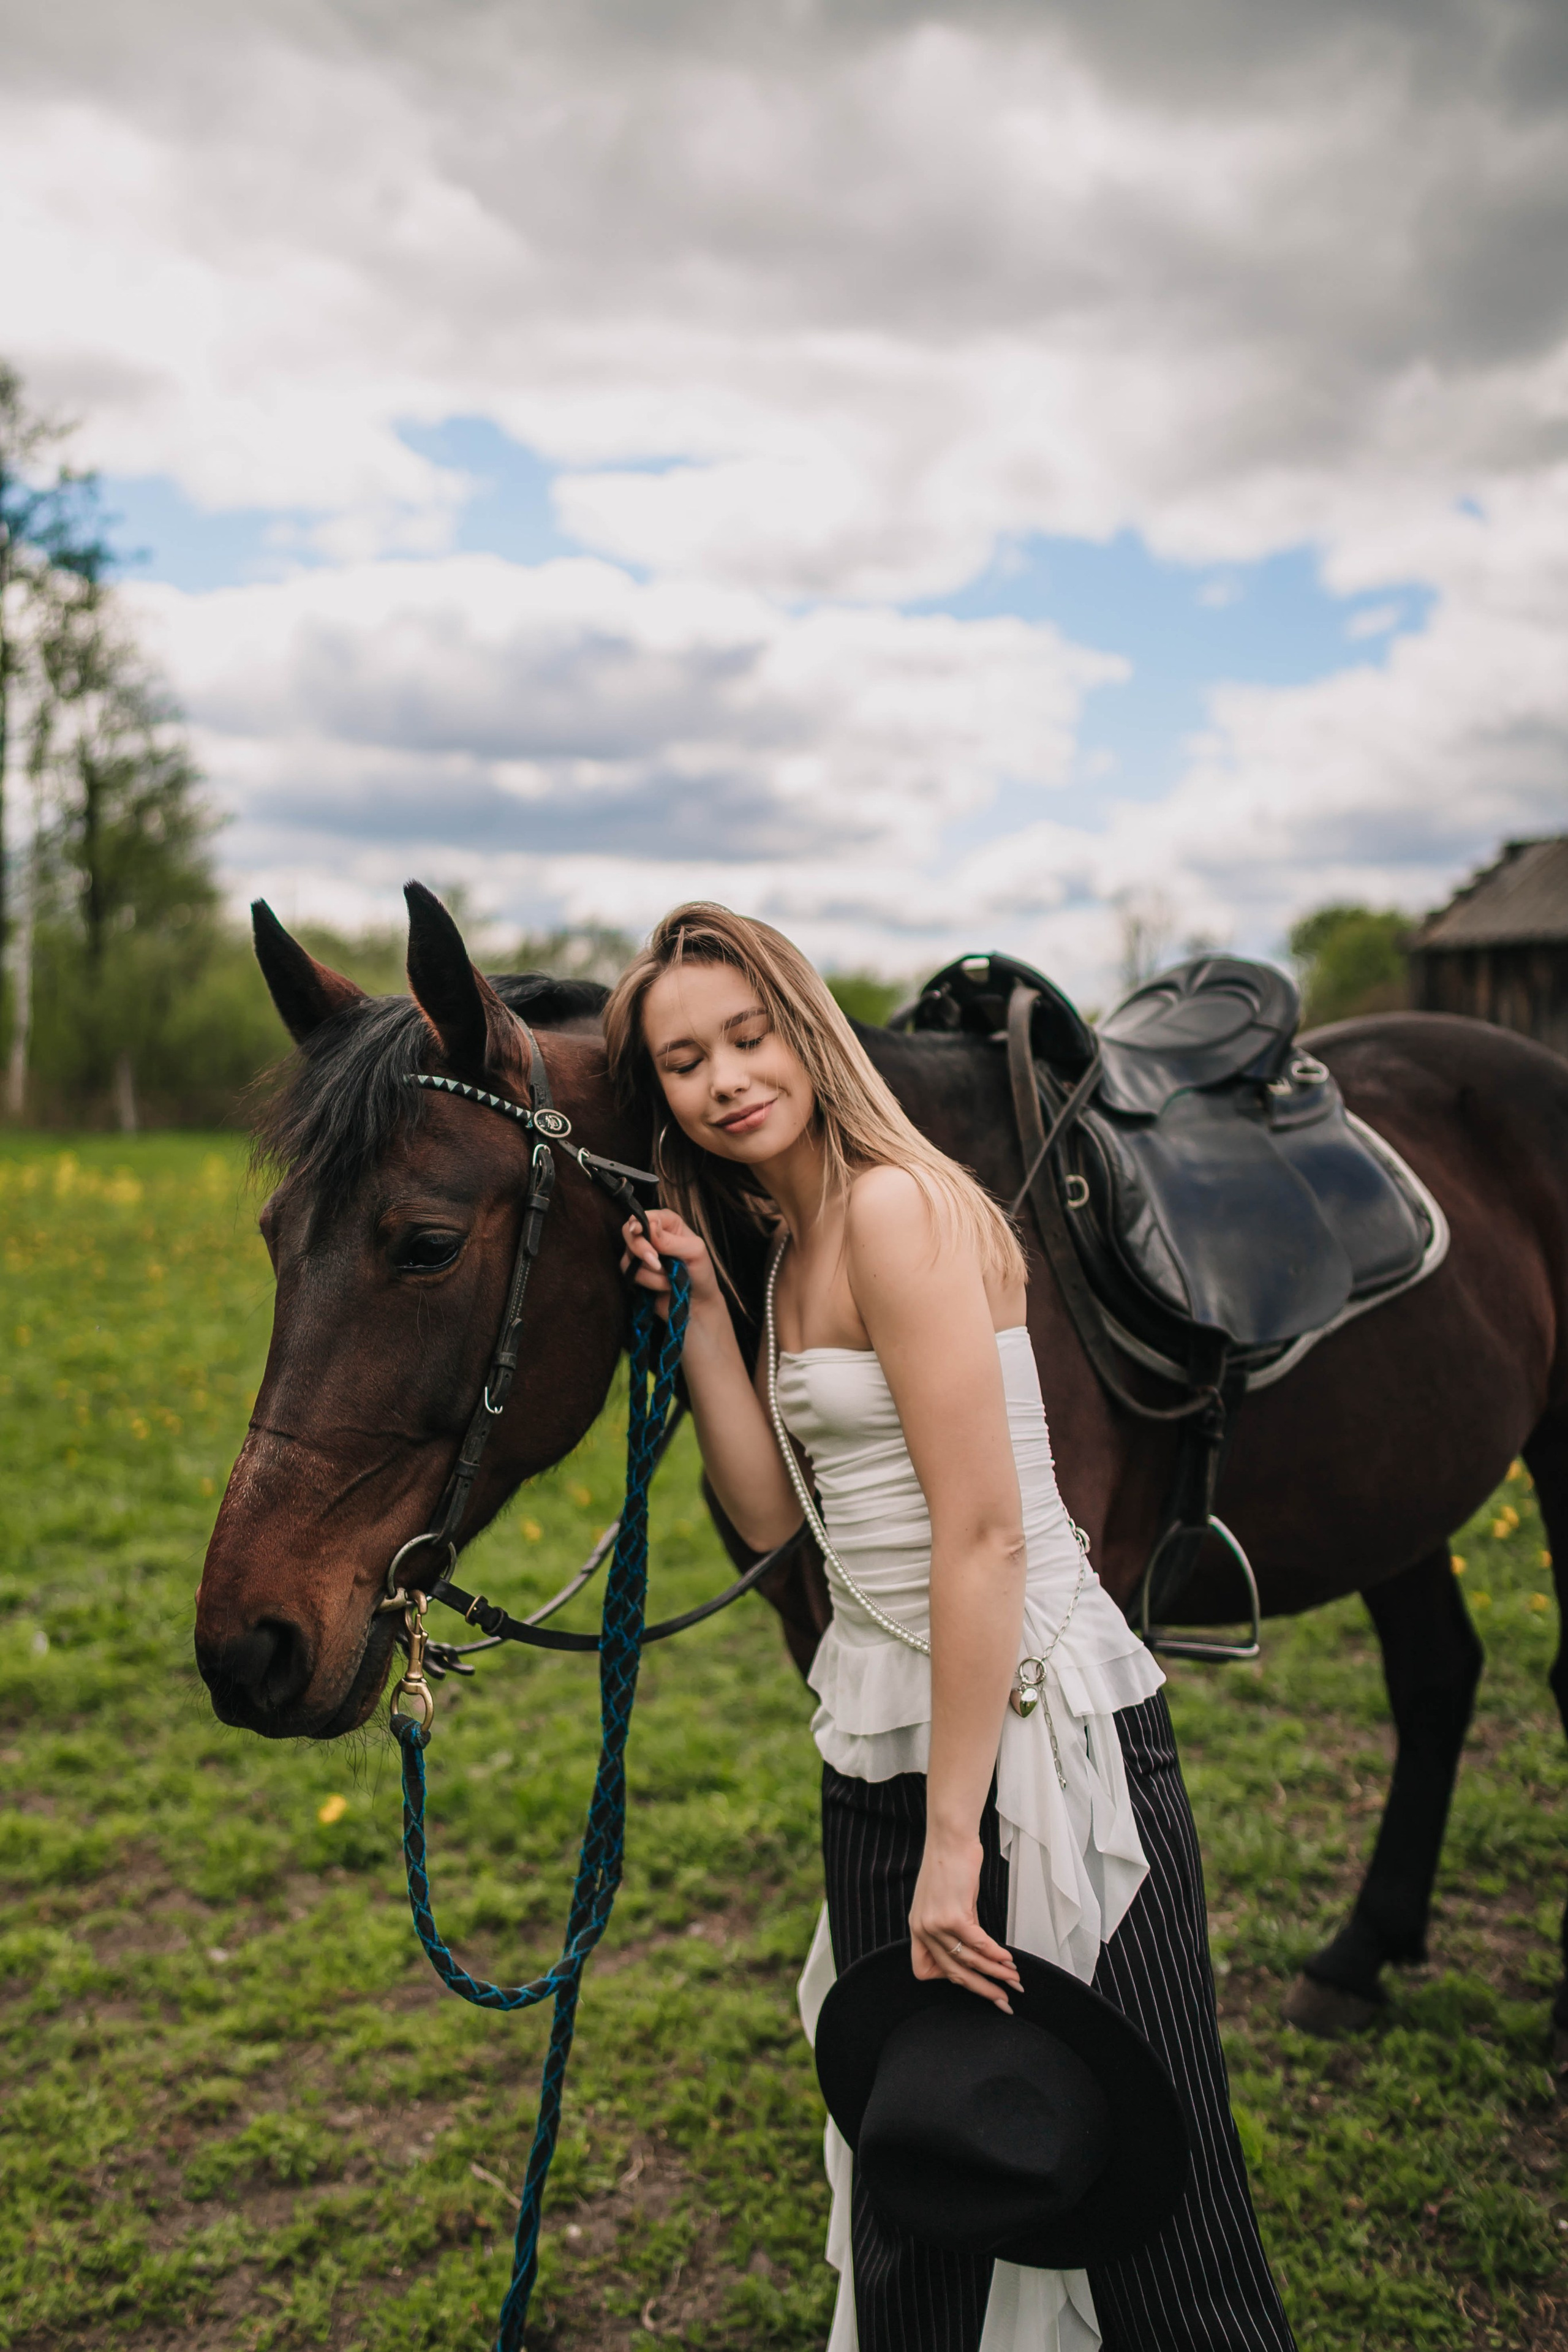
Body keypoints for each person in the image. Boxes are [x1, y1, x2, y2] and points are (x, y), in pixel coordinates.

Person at [602, 905, 1295, 2352]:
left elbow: (980, 1536)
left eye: (747, 1035)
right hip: (882, 1730)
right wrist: (709, 1334)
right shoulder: (791, 1247)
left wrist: (951, 1836)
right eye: (682, 1061)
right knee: (925, 2156)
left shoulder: (894, 1212)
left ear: (805, 1025)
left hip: (1027, 1730)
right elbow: (776, 1519)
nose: (724, 1077)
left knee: (1142, 2179)